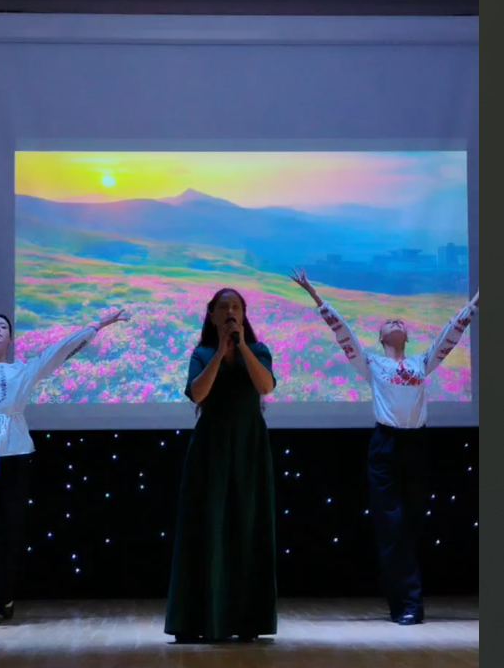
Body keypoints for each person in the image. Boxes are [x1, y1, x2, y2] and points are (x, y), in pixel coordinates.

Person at [290, 268, 479, 625]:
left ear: (406, 336)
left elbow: (450, 334)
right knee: (391, 524)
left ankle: (401, 597)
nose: (396, 322)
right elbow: (343, 332)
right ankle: (409, 604)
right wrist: (314, 293)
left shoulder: (421, 362)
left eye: (400, 321)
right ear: (379, 338)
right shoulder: (372, 363)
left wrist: (476, 300)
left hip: (416, 445)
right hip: (385, 446)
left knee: (410, 524)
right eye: (389, 322)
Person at [0, 309, 129, 629]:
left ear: (10, 339)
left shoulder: (23, 370)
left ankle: (6, 595)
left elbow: (59, 350)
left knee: (12, 529)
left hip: (16, 452)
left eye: (2, 326)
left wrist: (99, 325)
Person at [165, 288, 277, 643]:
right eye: (224, 307)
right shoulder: (201, 354)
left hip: (249, 448)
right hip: (210, 449)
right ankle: (201, 620)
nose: (230, 311)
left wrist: (241, 348)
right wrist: (221, 353)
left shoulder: (258, 350)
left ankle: (247, 620)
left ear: (243, 315)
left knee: (247, 526)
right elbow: (197, 393)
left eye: (236, 307)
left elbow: (266, 386)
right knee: (208, 527)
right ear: (212, 315)